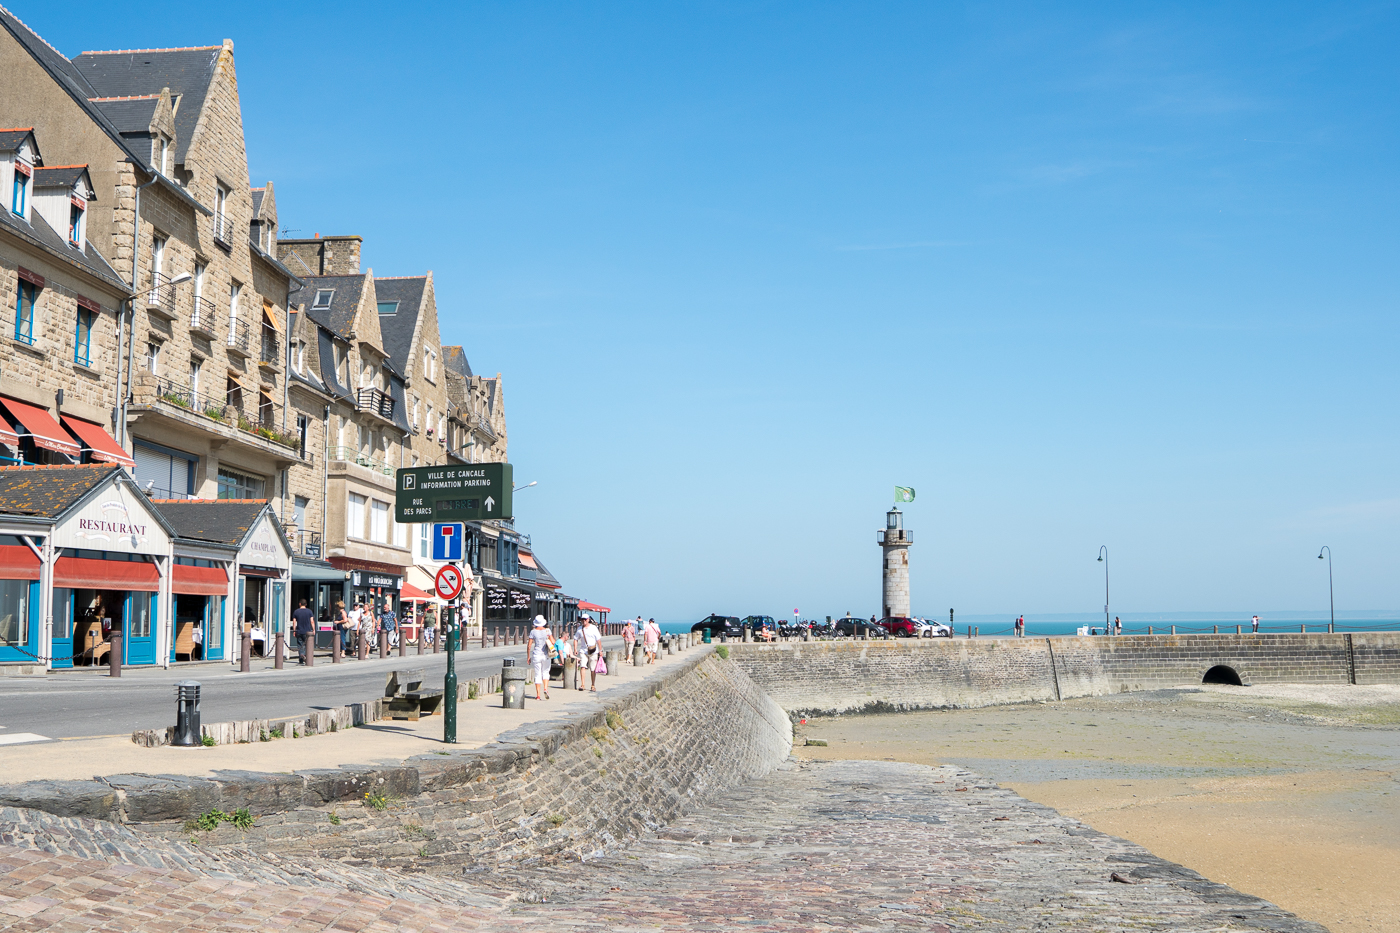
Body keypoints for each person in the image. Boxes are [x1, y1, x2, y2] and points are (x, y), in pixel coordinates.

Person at [527, 616, 553, 700]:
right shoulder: (547, 630)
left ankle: (538, 695)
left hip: (536, 655)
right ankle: (545, 689)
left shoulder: (533, 632)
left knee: (538, 674)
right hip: (546, 655)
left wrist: (528, 656)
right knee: (545, 672)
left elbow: (529, 645)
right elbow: (553, 642)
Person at [580, 613, 603, 691]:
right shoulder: (580, 629)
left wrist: (600, 650)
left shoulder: (593, 628)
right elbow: (576, 638)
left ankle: (593, 685)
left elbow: (598, 640)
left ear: (588, 620)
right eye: (582, 619)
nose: (583, 621)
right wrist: (575, 649)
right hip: (583, 651)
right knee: (582, 666)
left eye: (585, 619)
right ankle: (582, 685)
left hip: (593, 650)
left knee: (593, 668)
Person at [292, 599, 315, 664]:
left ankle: (301, 657)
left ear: (299, 604)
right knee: (307, 645)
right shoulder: (309, 611)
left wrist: (294, 630)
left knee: (300, 645)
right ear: (306, 604)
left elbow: (294, 622)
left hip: (299, 631)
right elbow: (312, 621)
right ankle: (305, 656)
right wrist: (313, 629)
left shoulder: (296, 612)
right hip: (307, 632)